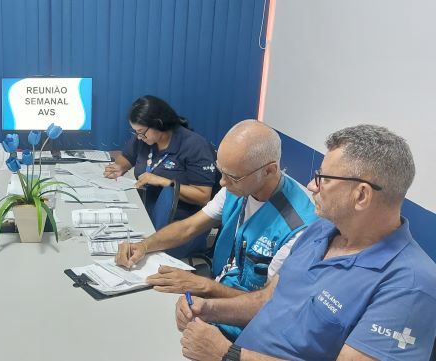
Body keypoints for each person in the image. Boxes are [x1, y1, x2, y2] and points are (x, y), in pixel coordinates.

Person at [175, 125, 436, 361]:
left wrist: (228, 354)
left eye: (324, 179)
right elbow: (270, 299)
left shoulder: (411, 285)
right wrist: (209, 308)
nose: (311, 185)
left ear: (361, 195)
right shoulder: (321, 230)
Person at [116, 119, 317, 340]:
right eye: (221, 171)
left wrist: (204, 287)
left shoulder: (300, 228)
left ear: (269, 171)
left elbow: (264, 305)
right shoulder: (238, 185)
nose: (221, 183)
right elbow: (190, 227)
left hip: (248, 330)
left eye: (231, 177)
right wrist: (143, 245)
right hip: (213, 305)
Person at [103, 95, 217, 223]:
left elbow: (203, 196)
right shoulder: (143, 139)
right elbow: (126, 158)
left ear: (159, 123)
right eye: (135, 132)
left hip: (178, 223)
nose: (139, 137)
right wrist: (120, 167)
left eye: (141, 132)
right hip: (143, 211)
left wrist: (163, 182)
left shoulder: (195, 146)